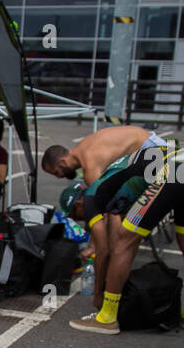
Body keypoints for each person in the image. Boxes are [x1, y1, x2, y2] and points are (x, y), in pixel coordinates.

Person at [65, 138, 184, 333]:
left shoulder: (90, 200)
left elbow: (104, 251)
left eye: (74, 215)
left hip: (172, 170)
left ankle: (107, 317)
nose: (79, 220)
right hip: (178, 162)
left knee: (125, 241)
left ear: (78, 204)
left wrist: (98, 295)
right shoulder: (112, 189)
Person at [42, 124, 159, 185]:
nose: (59, 177)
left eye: (57, 172)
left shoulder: (90, 166)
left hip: (151, 150)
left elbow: (102, 203)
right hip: (149, 144)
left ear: (63, 161)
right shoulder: (83, 145)